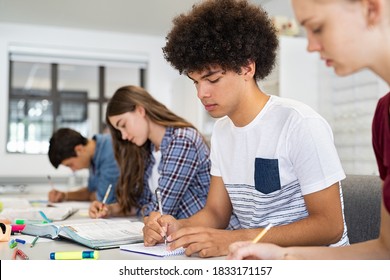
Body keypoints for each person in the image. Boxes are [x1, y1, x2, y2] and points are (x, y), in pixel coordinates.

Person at [143, 0, 349, 258]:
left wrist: (234, 239)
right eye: (195, 82)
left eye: (212, 79)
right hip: (253, 260)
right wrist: (177, 227)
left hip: (313, 264)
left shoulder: (299, 123)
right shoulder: (222, 131)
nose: (201, 93)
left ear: (247, 68)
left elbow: (330, 226)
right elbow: (217, 213)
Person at [227, 0, 390, 260]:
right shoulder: (384, 114)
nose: (311, 46)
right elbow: (384, 251)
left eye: (318, 28)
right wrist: (282, 256)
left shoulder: (300, 122)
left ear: (371, 9)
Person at [88, 85, 211, 220]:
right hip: (174, 236)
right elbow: (144, 205)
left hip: (206, 236)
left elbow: (162, 210)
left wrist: (140, 209)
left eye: (123, 125)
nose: (123, 136)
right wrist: (109, 209)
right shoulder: (150, 149)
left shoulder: (182, 140)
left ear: (140, 110)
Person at [48, 128, 119, 204]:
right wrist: (64, 195)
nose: (73, 170)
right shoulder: (93, 156)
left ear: (79, 150)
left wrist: (95, 194)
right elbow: (90, 192)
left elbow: (104, 198)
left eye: (70, 165)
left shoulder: (110, 151)